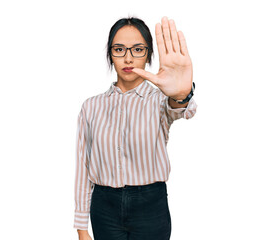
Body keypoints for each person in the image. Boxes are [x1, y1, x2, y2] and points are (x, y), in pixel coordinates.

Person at [73, 16, 197, 240]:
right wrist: (81, 227)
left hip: (150, 207)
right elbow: (83, 167)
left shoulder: (159, 100)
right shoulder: (91, 107)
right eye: (119, 49)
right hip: (103, 207)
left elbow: (181, 108)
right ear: (110, 54)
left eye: (138, 49)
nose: (128, 58)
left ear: (149, 54)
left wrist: (181, 94)